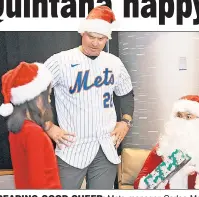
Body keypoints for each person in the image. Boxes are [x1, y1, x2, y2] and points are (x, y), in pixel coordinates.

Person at [43, 6, 135, 189]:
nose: (95, 43)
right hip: (72, 148)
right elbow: (35, 94)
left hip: (105, 148)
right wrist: (48, 126)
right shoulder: (60, 61)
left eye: (101, 39)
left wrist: (125, 121)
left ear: (107, 38)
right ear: (82, 33)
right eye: (91, 37)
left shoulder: (114, 63)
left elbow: (126, 93)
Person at [134, 95, 199, 189]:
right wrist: (164, 171)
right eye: (179, 115)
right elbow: (138, 185)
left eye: (188, 117)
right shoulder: (162, 149)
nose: (181, 121)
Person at [0, 62, 68, 189]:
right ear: (38, 99)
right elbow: (38, 182)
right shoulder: (34, 133)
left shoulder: (18, 128)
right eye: (47, 96)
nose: (49, 100)